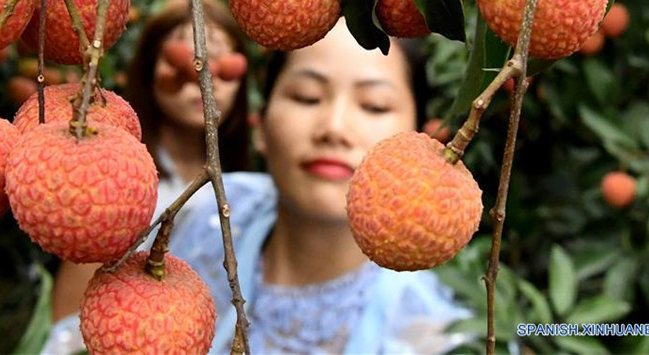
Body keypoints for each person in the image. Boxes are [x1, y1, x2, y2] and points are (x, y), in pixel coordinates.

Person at [168, 18, 472, 353]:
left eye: (374, 105)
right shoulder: (202, 217)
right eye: (307, 97)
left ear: (420, 139)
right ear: (261, 125)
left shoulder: (433, 336)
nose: (334, 127)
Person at [43, 0, 251, 353]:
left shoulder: (252, 195)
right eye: (182, 58)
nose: (202, 75)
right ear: (148, 70)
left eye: (220, 62)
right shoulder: (113, 184)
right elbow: (67, 330)